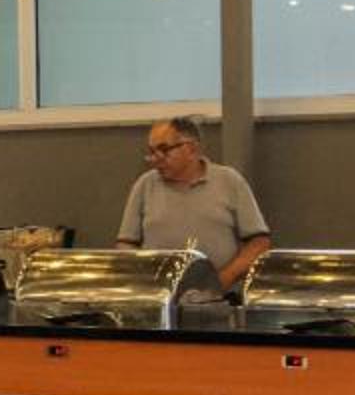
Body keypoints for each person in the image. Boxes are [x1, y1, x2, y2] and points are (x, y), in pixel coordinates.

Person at [116, 115, 272, 290]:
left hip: (221, 296)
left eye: (164, 150)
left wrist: (220, 281)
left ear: (191, 149)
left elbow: (259, 243)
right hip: (158, 296)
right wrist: (145, 278)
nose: (155, 158)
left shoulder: (229, 181)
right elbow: (126, 244)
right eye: (152, 152)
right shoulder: (145, 185)